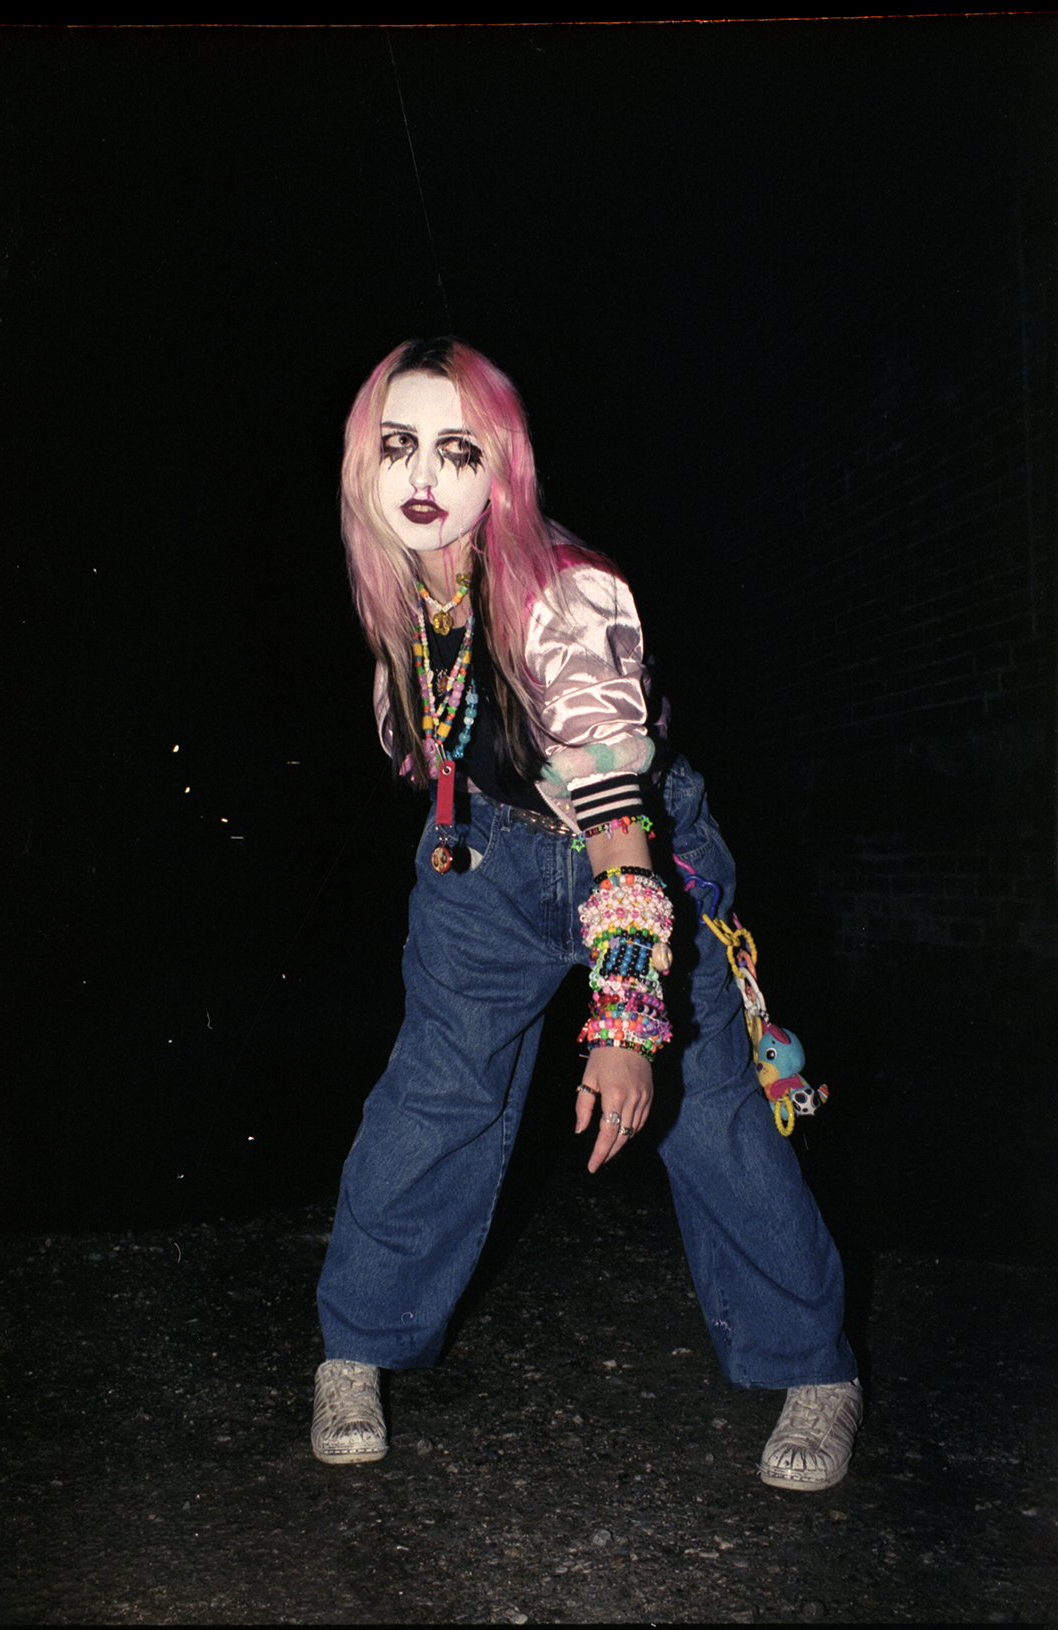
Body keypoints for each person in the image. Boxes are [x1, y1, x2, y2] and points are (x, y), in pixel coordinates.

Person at [312, 337, 861, 1491]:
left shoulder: (564, 592)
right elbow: (438, 750)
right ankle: (357, 1344)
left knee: (710, 1108)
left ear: (500, 467)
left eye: (459, 450)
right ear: (364, 462)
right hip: (486, 860)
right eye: (399, 444)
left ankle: (813, 1363)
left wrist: (623, 1026)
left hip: (636, 848)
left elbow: (618, 830)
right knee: (436, 1088)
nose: (425, 474)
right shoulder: (406, 588)